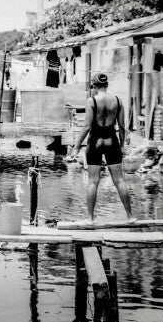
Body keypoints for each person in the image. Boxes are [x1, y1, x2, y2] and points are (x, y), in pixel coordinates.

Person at [70, 73, 135, 225]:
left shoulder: (91, 101)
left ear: (93, 85)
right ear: (107, 85)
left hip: (96, 141)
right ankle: (130, 217)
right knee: (119, 180)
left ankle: (91, 219)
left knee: (93, 181)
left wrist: (76, 147)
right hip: (112, 140)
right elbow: (122, 126)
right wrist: (122, 145)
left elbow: (86, 127)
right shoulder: (118, 101)